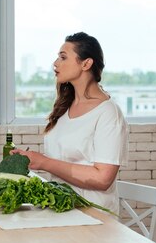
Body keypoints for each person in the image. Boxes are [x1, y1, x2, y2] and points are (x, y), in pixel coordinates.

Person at [12, 32, 128, 214]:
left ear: (86, 64)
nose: (55, 63)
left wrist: (43, 162)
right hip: (60, 210)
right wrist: (32, 160)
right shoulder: (65, 106)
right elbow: (63, 159)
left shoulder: (108, 113)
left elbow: (103, 179)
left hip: (93, 218)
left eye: (63, 57)